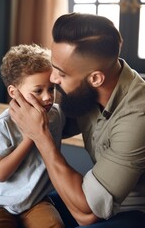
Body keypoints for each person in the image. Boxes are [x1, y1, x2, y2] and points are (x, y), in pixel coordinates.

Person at [9, 13, 145, 228]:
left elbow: (89, 213)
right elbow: (48, 122)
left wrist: (41, 137)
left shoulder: (138, 116)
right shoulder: (87, 92)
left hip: (134, 212)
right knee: (13, 208)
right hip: (94, 197)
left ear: (95, 78)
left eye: (61, 73)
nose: (53, 78)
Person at [0, 44, 65, 228]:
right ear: (14, 92)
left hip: (36, 201)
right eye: (38, 91)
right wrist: (32, 136)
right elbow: (0, 173)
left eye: (51, 88)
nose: (47, 97)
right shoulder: (1, 125)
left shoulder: (56, 115)